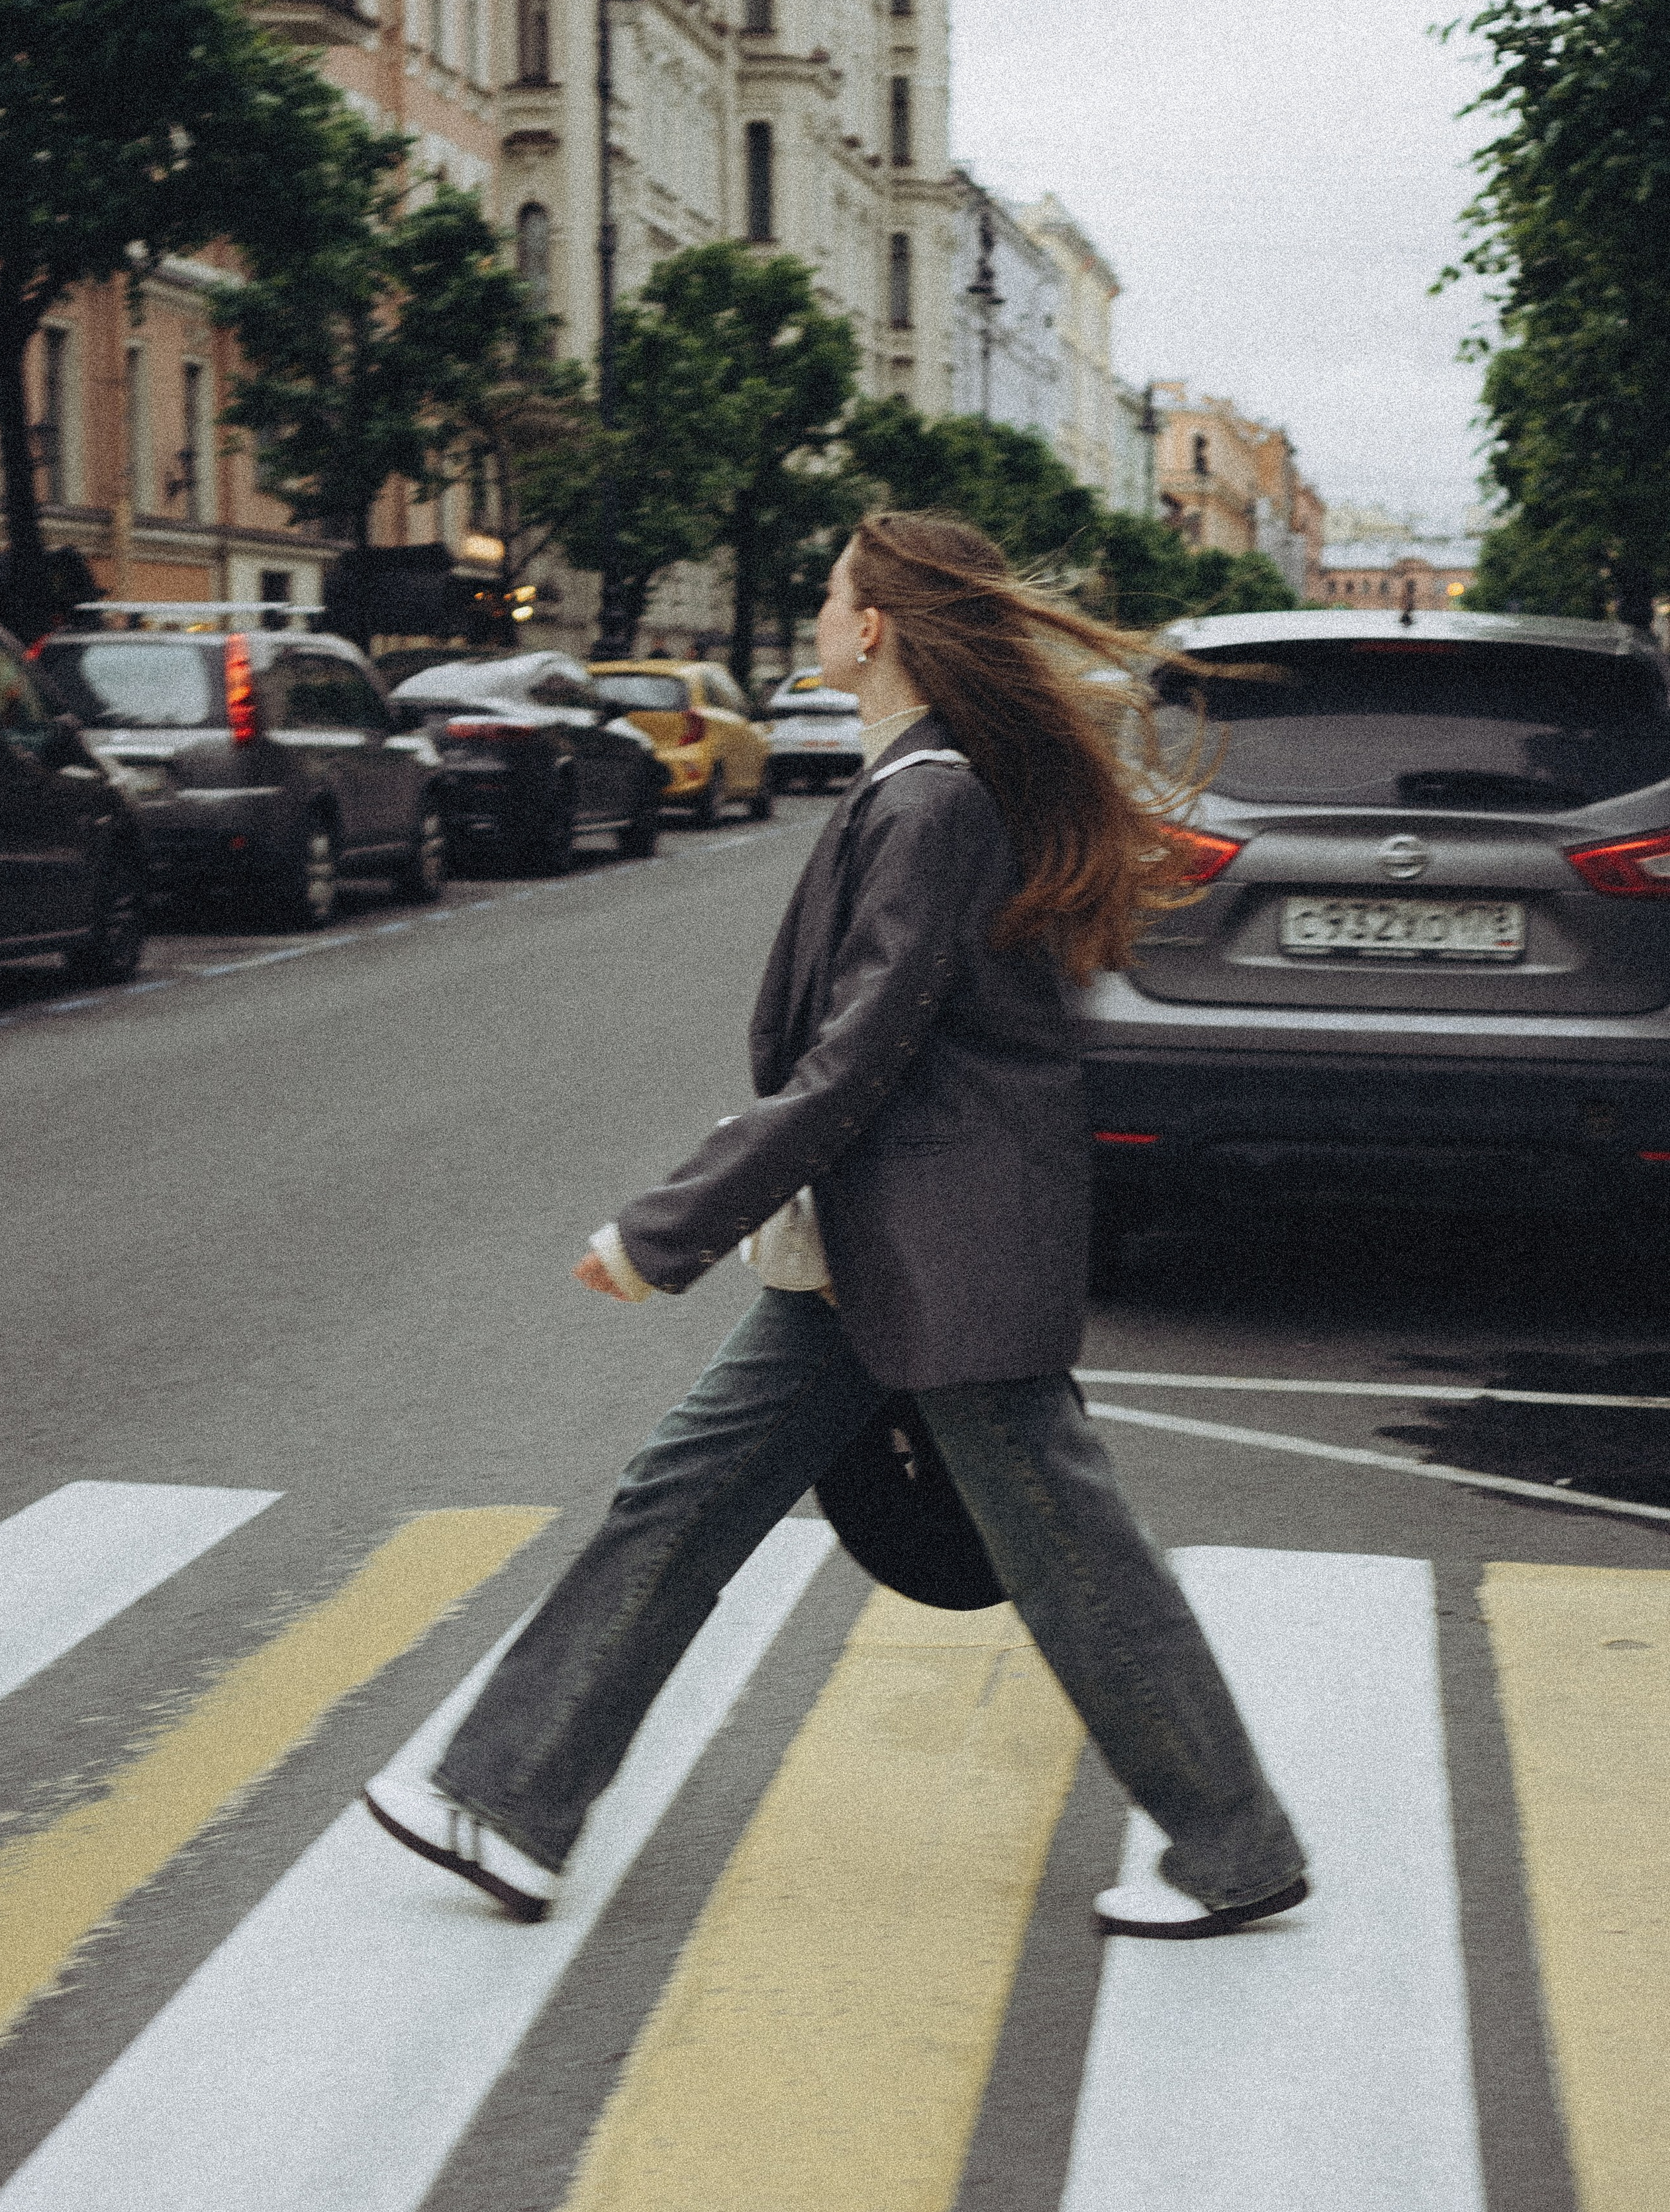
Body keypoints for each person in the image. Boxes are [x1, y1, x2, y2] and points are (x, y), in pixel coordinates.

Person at [365, 513, 1308, 1939]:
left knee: (1072, 1557)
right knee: (682, 1493)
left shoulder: (932, 802)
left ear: (870, 628)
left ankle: (1232, 1846)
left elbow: (855, 1060)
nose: (816, 612)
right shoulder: (925, 785)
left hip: (947, 1254)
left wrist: (664, 1231)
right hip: (888, 1253)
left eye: (827, 595)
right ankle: (509, 1796)